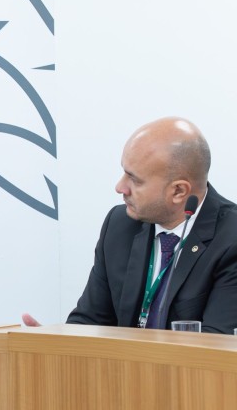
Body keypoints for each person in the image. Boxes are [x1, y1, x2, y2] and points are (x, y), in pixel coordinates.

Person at [23, 117, 237, 333]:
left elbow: (218, 342)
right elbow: (90, 321)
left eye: (135, 180)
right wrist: (58, 344)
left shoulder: (231, 238)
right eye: (124, 172)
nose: (120, 187)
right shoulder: (120, 224)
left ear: (178, 191)